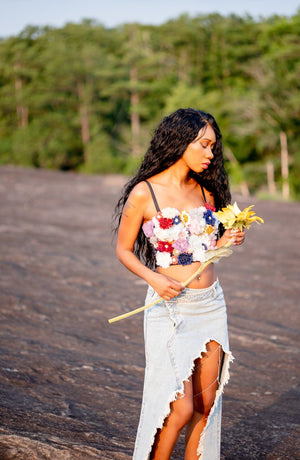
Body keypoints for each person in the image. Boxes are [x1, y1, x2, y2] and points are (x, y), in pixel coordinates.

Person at [114, 108, 245, 459]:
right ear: (179, 141)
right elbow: (123, 250)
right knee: (178, 408)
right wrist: (154, 278)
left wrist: (227, 241)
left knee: (206, 406)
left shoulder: (207, 193)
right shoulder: (145, 193)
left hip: (211, 305)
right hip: (169, 308)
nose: (210, 154)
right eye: (204, 145)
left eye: (213, 147)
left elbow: (205, 251)